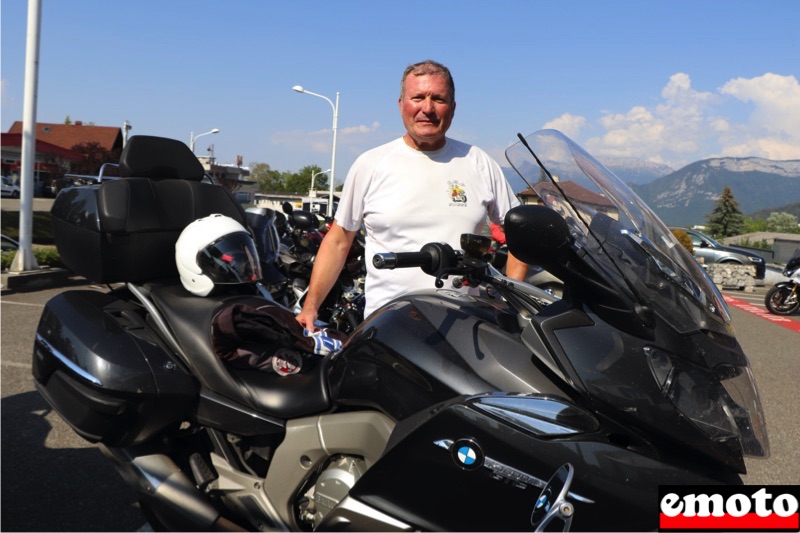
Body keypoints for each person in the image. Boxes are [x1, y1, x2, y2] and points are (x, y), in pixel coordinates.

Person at [296, 60, 527, 330]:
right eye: (417, 97)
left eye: (438, 99)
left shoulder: (478, 161)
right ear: (401, 104)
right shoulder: (371, 164)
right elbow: (338, 241)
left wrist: (514, 304)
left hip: (466, 329)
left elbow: (521, 236)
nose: (426, 108)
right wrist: (310, 308)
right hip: (388, 330)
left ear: (453, 107)